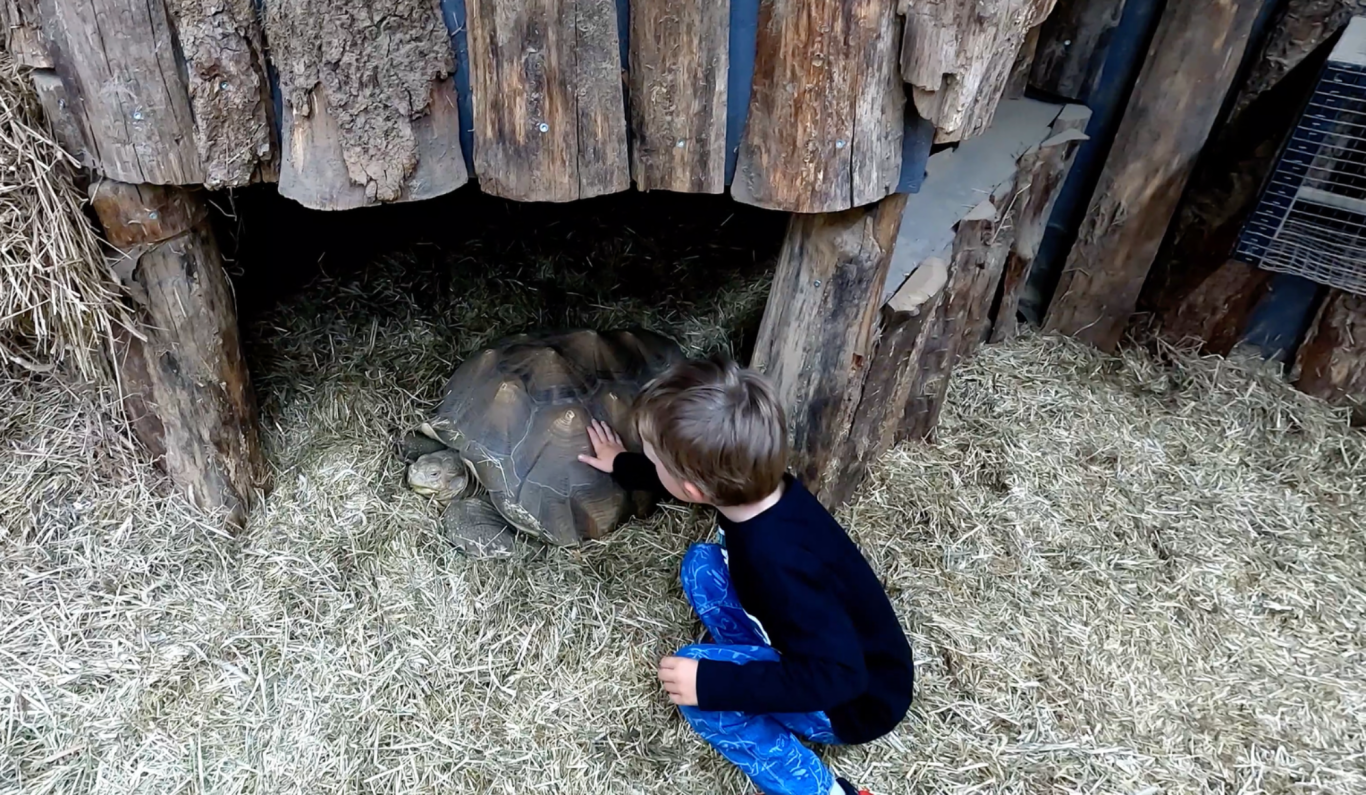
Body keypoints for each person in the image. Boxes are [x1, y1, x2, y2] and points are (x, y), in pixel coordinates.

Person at [578, 355, 914, 795]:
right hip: (838, 652)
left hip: (852, 703)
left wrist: (715, 683)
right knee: (701, 565)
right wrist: (624, 464)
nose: (650, 464)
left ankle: (824, 790)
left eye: (653, 459)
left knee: (699, 690)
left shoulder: (775, 563)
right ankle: (755, 656)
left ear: (694, 490)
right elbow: (685, 480)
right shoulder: (764, 490)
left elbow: (838, 675)